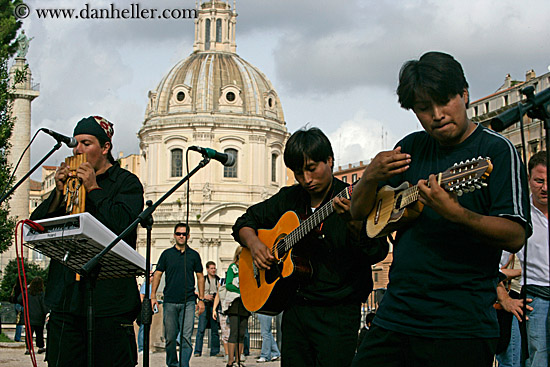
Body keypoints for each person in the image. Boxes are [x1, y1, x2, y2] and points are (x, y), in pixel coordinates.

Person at [350, 51, 531, 367]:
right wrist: (369, 178)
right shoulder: (410, 148)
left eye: (445, 101)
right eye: (423, 108)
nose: (436, 114)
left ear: (464, 94)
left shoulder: (495, 151)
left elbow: (515, 235)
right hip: (397, 314)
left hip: (461, 323)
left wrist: (457, 214)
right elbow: (361, 216)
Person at [232, 127, 388, 367]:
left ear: (329, 160)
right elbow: (244, 222)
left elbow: (377, 251)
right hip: (295, 311)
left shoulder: (355, 197)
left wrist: (353, 223)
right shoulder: (289, 198)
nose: (306, 179)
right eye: (299, 172)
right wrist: (254, 245)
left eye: (312, 169)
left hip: (337, 313)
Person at [30, 115, 144, 367]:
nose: (77, 150)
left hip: (109, 304)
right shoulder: (68, 185)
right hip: (66, 301)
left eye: (86, 143)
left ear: (105, 148)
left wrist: (93, 189)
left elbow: (123, 228)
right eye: (75, 144)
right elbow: (35, 227)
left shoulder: (126, 183)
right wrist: (58, 194)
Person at [151, 223, 205, 367]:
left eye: (184, 234)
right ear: (174, 235)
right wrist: (153, 296)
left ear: (188, 236)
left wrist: (201, 299)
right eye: (178, 233)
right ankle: (172, 364)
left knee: (186, 337)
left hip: (188, 302)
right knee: (170, 338)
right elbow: (157, 274)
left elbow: (200, 277)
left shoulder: (194, 255)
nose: (181, 236)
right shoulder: (166, 254)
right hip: (170, 301)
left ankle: (184, 364)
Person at [517, 150, 550, 367]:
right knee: (539, 358)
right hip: (537, 298)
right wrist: (504, 297)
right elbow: (496, 261)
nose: (545, 187)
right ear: (529, 179)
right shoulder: (520, 214)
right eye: (539, 181)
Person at [222, 247, 249, 367]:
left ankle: (239, 360)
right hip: (235, 302)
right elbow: (228, 285)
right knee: (234, 331)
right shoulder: (232, 268)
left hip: (245, 302)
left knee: (241, 333)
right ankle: (230, 361)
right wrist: (241, 290)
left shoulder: (248, 267)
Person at [194, 261, 221, 357]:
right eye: (212, 268)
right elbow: (196, 292)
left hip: (214, 305)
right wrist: (205, 297)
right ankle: (197, 351)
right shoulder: (203, 279)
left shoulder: (218, 280)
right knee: (201, 329)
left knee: (215, 329)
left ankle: (215, 351)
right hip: (205, 304)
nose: (213, 270)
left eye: (214, 268)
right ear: (207, 269)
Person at [18, 276, 49, 355]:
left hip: (29, 315)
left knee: (28, 333)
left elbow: (19, 299)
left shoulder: (27, 292)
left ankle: (28, 348)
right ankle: (40, 347)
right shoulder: (41, 294)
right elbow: (44, 305)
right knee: (39, 333)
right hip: (39, 316)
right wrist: (47, 313)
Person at [137, 272, 154, 354]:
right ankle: (141, 348)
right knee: (143, 328)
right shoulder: (145, 285)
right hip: (145, 309)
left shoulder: (151, 286)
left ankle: (145, 347)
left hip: (148, 309)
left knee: (146, 329)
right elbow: (141, 297)